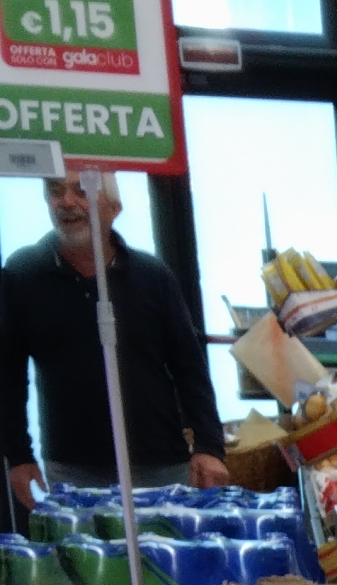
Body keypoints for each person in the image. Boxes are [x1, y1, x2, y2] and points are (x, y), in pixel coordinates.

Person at [1, 171, 229, 509]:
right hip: (71, 468)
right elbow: (7, 373)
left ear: (114, 208)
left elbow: (190, 368)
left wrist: (209, 446)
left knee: (162, 545)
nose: (66, 202)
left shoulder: (152, 276)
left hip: (159, 464)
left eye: (82, 191)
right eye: (55, 190)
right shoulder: (23, 274)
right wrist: (18, 455)